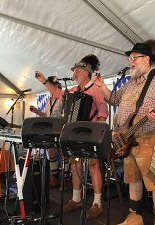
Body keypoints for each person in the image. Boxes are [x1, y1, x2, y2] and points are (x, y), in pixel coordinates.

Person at [93, 40, 155, 225]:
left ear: (147, 59)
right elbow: (114, 99)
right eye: (130, 58)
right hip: (128, 140)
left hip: (152, 139)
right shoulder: (131, 82)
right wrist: (101, 85)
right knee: (133, 181)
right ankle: (135, 219)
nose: (131, 62)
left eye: (134, 58)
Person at [35, 54, 108, 220]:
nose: (74, 74)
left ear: (86, 72)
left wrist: (98, 136)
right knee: (75, 164)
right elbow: (58, 93)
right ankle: (76, 199)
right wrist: (44, 81)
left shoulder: (96, 90)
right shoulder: (74, 90)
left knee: (93, 167)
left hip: (92, 134)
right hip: (75, 135)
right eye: (74, 71)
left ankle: (97, 203)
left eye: (77, 71)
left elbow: (103, 113)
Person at [29, 76, 70, 190]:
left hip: (62, 128)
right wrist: (37, 111)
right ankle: (55, 178)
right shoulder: (49, 99)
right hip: (51, 129)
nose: (51, 87)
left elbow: (66, 114)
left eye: (53, 85)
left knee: (64, 154)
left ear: (57, 85)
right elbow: (47, 115)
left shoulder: (63, 96)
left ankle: (65, 181)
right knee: (51, 152)